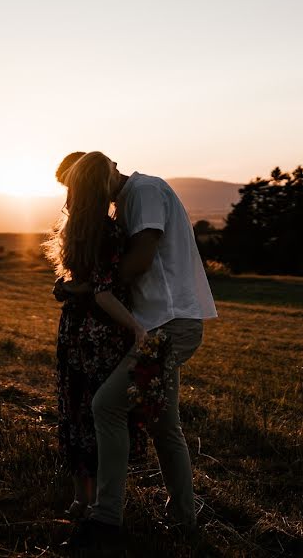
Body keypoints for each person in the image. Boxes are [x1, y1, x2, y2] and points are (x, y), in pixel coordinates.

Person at [62, 151, 218, 551]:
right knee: (166, 427)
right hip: (157, 328)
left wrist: (89, 286)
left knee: (106, 407)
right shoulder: (130, 197)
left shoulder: (145, 190)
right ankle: (185, 522)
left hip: (170, 325)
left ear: (111, 170)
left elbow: (142, 257)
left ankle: (106, 519)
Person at [44, 152, 152, 520]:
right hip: (102, 334)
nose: (119, 175)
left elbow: (75, 283)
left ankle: (81, 500)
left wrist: (72, 290)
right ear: (102, 185)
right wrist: (137, 326)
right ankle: (107, 504)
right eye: (113, 171)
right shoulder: (110, 231)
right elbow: (105, 291)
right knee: (103, 417)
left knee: (75, 411)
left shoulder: (72, 226)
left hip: (72, 330)